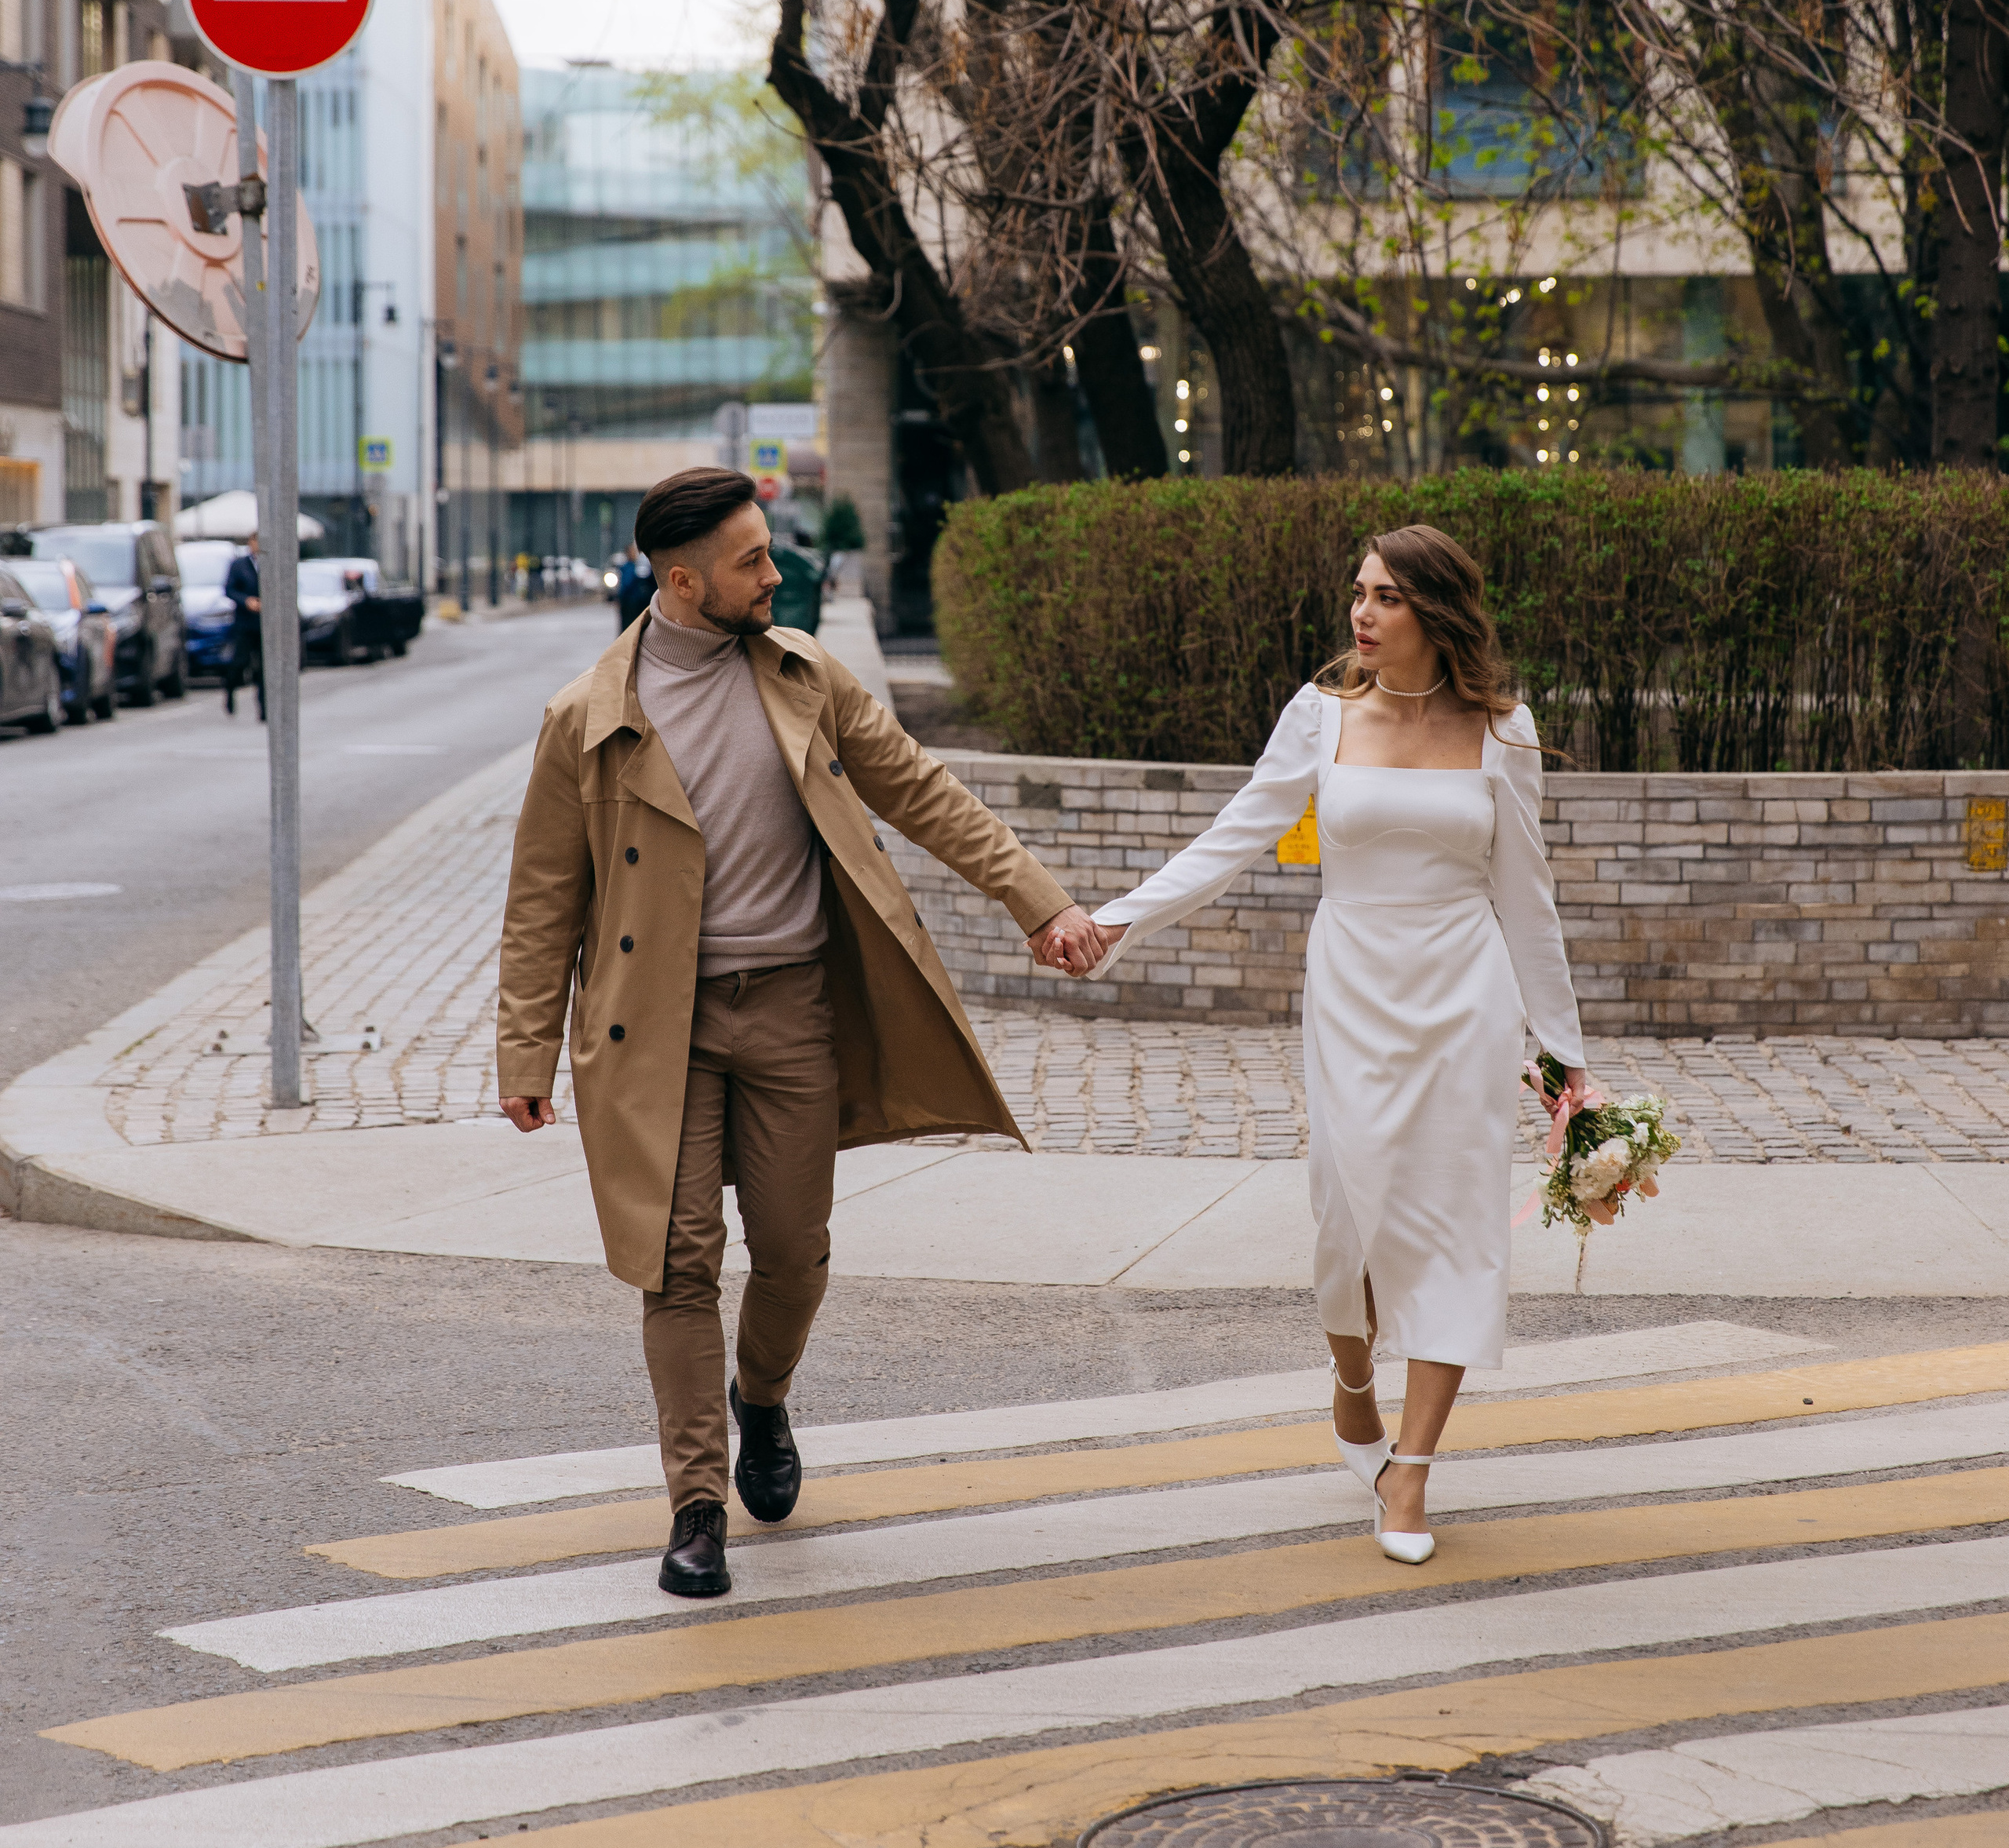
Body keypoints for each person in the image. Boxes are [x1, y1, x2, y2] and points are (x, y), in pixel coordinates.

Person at [497, 467, 1109, 1598]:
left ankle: (763, 1396)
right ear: (683, 581)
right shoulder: (586, 719)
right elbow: (544, 900)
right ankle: (696, 1505)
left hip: (789, 1010)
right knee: (675, 1264)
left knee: (792, 1251)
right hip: (653, 1032)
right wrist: (524, 1053)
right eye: (751, 561)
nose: (775, 575)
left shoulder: (804, 678)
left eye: (772, 553)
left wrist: (1044, 902)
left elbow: (924, 793)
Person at [1087, 522, 1593, 1566]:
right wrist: (1113, 920)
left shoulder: (1503, 732)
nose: (1361, 615)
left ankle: (1410, 1475)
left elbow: (1527, 899)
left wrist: (1562, 1052)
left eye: (1387, 599)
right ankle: (1352, 1379)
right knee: (1345, 1227)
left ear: (1438, 614)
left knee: (1456, 1223)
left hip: (1465, 995)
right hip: (1352, 989)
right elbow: (1230, 840)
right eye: (1358, 594)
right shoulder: (1319, 719)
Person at [221, 537, 265, 722]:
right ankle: (230, 691)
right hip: (245, 623)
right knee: (239, 663)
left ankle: (264, 709)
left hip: (264, 625)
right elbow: (229, 590)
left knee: (264, 669)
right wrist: (246, 601)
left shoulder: (271, 564)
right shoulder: (239, 565)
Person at [614, 545, 654, 633]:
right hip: (629, 602)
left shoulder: (640, 566)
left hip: (638, 602)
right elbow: (625, 585)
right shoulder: (628, 567)